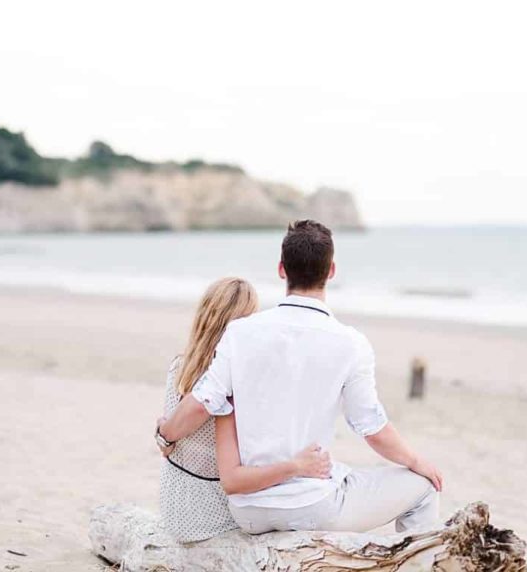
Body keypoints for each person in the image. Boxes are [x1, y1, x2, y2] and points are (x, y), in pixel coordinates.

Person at [158, 220, 442, 535]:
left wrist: (166, 433)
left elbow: (202, 403)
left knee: (345, 476)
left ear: (282, 269)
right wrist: (417, 462)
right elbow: (371, 428)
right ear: (331, 271)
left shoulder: (240, 333)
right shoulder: (351, 343)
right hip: (312, 505)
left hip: (248, 512)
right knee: (423, 487)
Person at [158, 277, 332, 542]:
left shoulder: (179, 368)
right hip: (215, 515)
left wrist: (164, 433)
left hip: (175, 509)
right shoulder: (229, 383)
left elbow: (171, 435)